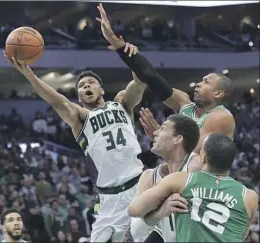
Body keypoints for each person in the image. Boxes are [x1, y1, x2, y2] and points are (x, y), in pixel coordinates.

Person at [4, 38, 146, 243]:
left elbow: (139, 83)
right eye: (81, 85)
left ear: (102, 90)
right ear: (79, 96)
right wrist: (30, 75)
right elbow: (56, 100)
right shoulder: (81, 119)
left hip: (139, 185)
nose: (86, 85)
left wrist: (132, 58)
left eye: (91, 83)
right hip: (110, 199)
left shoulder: (122, 103)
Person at [96, 3, 235, 160]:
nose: (198, 84)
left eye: (206, 82)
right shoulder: (185, 105)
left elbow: (195, 154)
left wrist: (161, 138)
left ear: (218, 93)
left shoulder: (221, 116)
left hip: (206, 182)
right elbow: (152, 77)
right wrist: (121, 47)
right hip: (185, 179)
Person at [128, 133, 258, 242]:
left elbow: (134, 210)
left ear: (204, 157)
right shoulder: (249, 196)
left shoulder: (181, 180)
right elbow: (241, 234)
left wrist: (162, 209)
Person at [130, 114, 200, 242]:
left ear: (177, 139)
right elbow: (136, 231)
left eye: (162, 128)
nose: (154, 133)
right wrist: (161, 211)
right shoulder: (149, 176)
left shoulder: (197, 166)